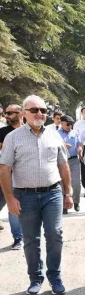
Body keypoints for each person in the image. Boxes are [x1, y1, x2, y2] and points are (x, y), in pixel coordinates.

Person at [0, 95, 73, 295]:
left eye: (43, 110)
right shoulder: (12, 138)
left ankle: (55, 276)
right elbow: (4, 169)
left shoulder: (54, 135)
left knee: (55, 234)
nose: (40, 113)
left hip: (53, 194)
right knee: (31, 239)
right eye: (34, 110)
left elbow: (63, 165)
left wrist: (69, 192)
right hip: (25, 196)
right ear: (24, 113)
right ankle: (35, 278)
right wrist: (9, 198)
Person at [0, 104, 24, 250]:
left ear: (20, 113)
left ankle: (18, 238)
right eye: (6, 113)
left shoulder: (28, 131)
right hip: (5, 176)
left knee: (14, 207)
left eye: (10, 113)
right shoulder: (2, 132)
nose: (7, 116)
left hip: (23, 177)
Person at [58, 115, 81, 213]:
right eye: (67, 124)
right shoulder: (55, 134)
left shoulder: (75, 133)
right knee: (63, 183)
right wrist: (63, 147)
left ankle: (76, 202)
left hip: (74, 160)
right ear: (61, 123)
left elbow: (79, 143)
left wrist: (80, 148)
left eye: (71, 124)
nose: (69, 126)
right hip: (62, 161)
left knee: (76, 182)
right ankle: (64, 205)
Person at [74, 106, 85, 197]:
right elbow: (76, 137)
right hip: (83, 148)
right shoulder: (77, 124)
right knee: (84, 170)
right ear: (81, 113)